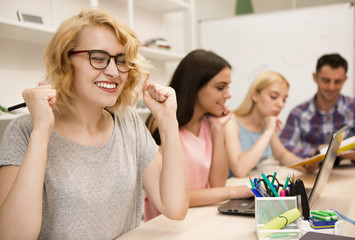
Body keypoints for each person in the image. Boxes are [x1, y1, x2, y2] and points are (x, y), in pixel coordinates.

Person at [0, 8, 189, 239]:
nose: (113, 72)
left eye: (121, 61)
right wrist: (40, 131)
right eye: (98, 58)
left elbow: (176, 207)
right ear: (65, 61)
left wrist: (168, 121)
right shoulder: (24, 131)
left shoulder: (128, 123)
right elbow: (13, 236)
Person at [144, 49, 253, 221]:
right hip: (166, 224)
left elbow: (217, 184)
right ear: (194, 86)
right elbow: (174, 197)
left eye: (228, 87)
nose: (228, 94)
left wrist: (218, 130)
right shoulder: (161, 123)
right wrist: (234, 191)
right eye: (220, 87)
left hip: (199, 216)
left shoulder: (209, 123)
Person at [225, 70, 318, 178]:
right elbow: (239, 170)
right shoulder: (231, 122)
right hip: (230, 187)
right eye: (274, 97)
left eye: (284, 99)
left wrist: (304, 164)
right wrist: (269, 131)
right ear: (255, 95)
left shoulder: (266, 123)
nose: (281, 104)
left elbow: (281, 155)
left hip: (248, 184)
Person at [280, 53, 355, 163]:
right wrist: (317, 151)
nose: (331, 87)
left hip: (348, 173)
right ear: (315, 77)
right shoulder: (298, 113)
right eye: (326, 81)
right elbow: (283, 148)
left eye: (337, 81)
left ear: (345, 79)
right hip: (312, 173)